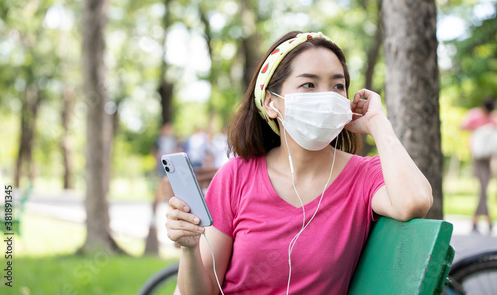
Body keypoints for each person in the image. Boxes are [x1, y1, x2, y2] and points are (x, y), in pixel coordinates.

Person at [165, 31, 433, 294]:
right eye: (309, 84)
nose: (326, 97)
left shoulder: (363, 176)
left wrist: (378, 123)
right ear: (271, 103)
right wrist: (189, 249)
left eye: (338, 86)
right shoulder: (236, 176)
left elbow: (415, 201)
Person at [461, 97, 496, 234]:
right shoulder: (475, 115)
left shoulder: (493, 118)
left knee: (484, 188)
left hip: (488, 158)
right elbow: (463, 126)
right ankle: (485, 220)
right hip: (477, 156)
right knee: (483, 188)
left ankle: (477, 221)